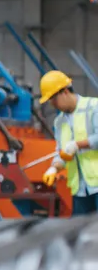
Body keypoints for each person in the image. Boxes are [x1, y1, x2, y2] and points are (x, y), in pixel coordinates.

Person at [38, 70, 98, 216]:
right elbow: (61, 152)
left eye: (53, 99)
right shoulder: (59, 122)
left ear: (65, 91)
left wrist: (77, 145)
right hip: (79, 190)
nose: (52, 104)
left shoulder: (93, 107)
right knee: (81, 234)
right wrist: (54, 168)